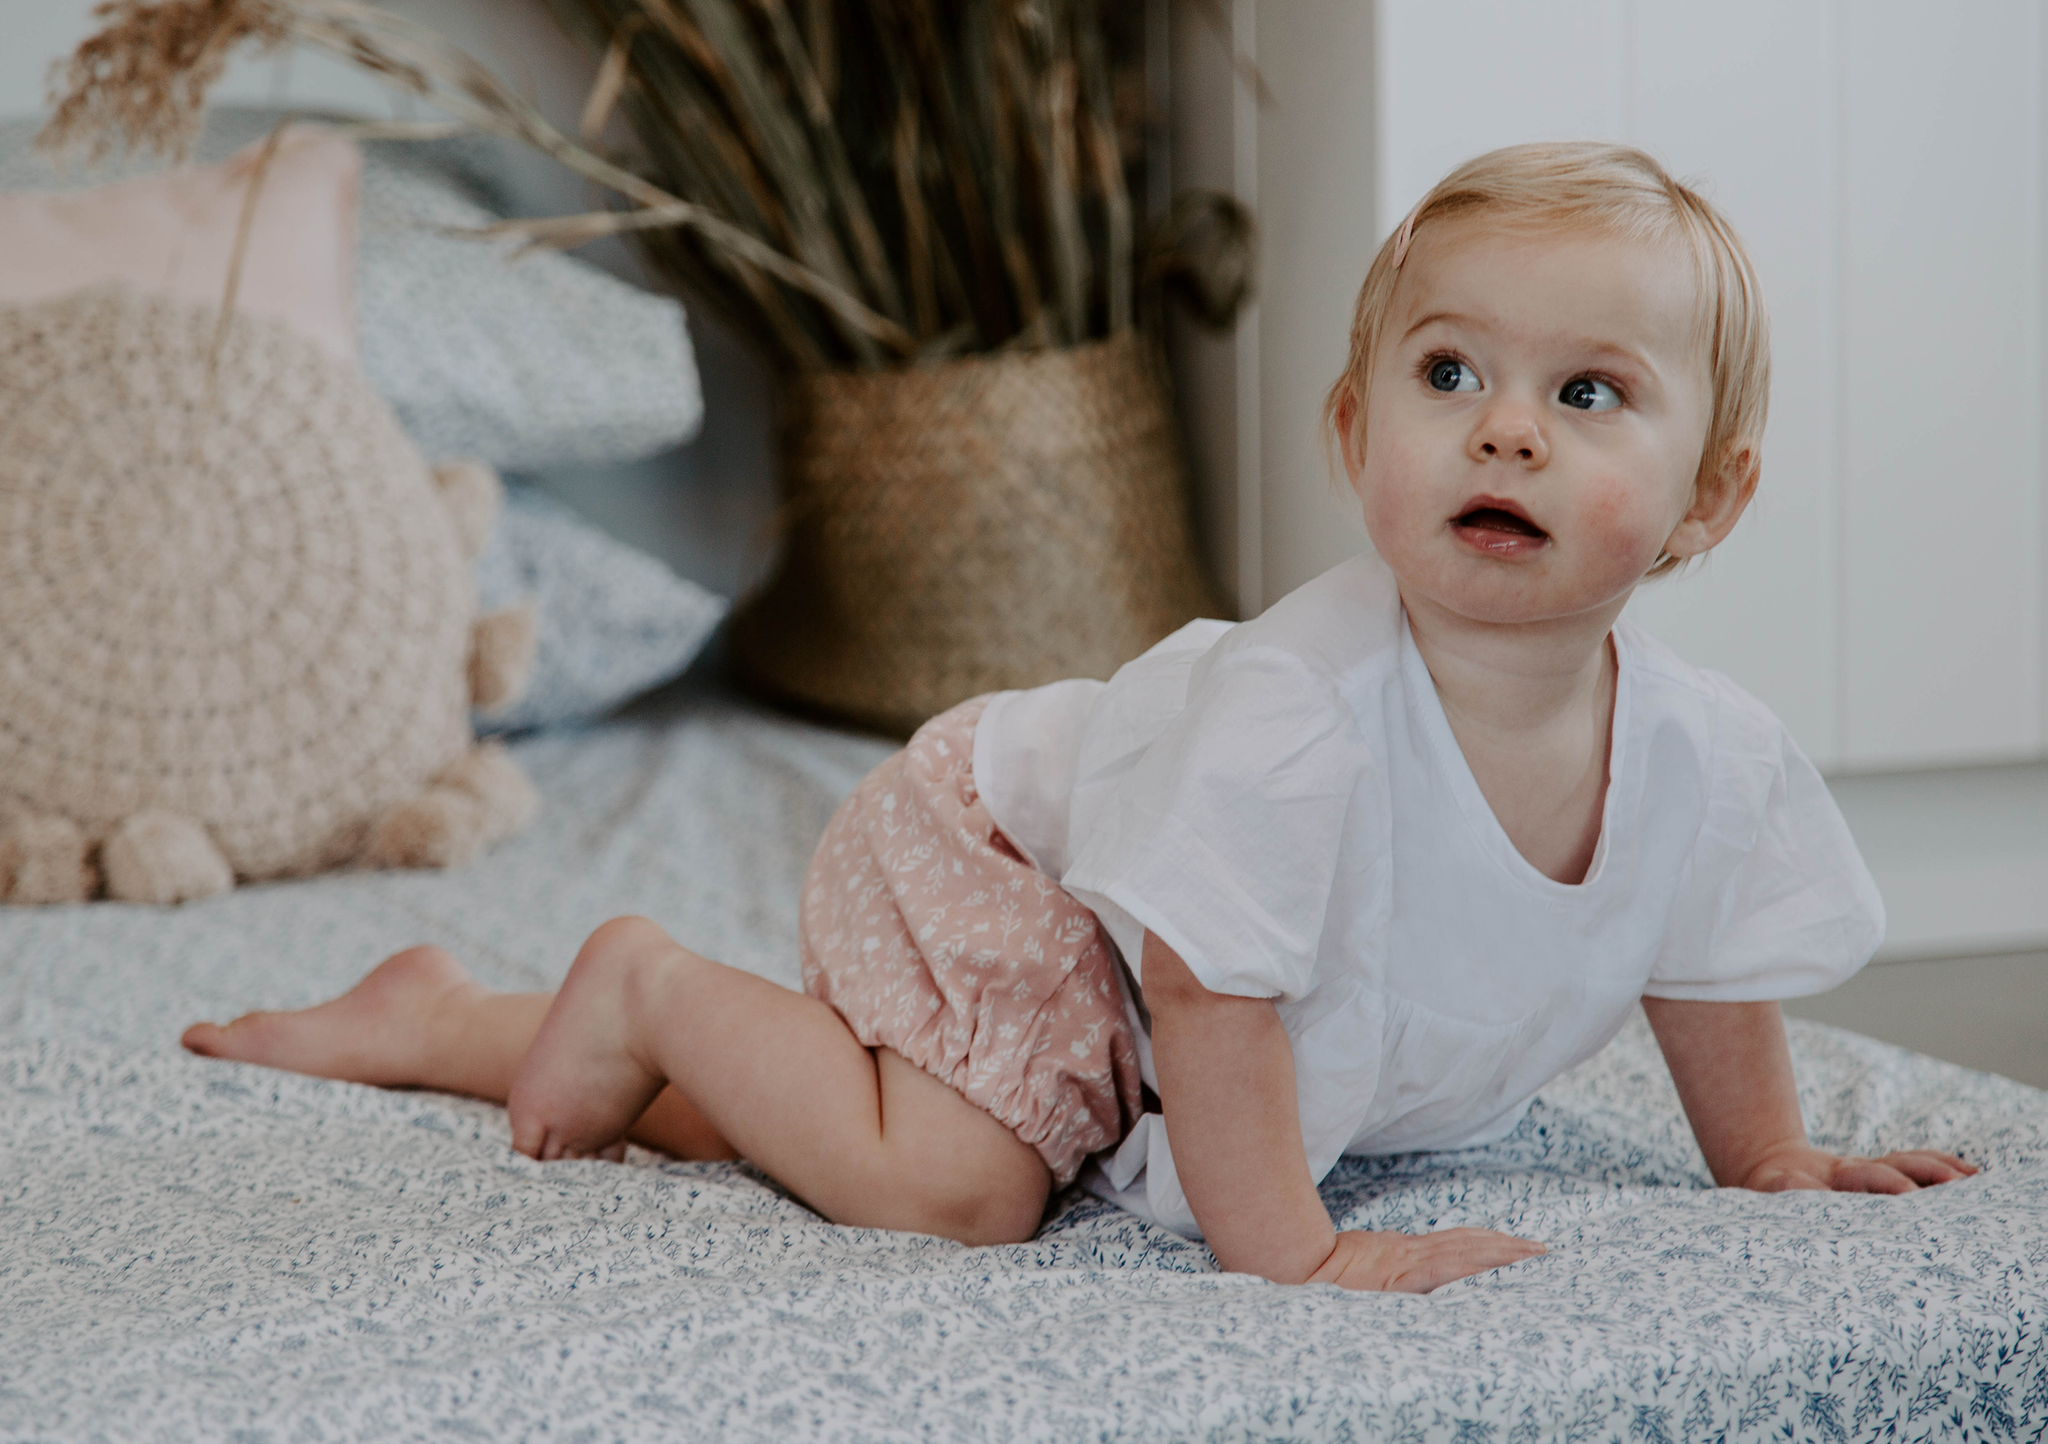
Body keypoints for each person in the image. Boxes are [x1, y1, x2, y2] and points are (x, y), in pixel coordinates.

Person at [184, 142, 1975, 1294]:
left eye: (1590, 392)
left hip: (1153, 948)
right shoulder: (1306, 712)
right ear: (1356, 437)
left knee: (845, 1116)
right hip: (1020, 855)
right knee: (960, 1183)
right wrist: (1298, 1259)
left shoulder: (1701, 748)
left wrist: (1769, 1162)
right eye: (1451, 374)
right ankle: (653, 978)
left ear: (1710, 502)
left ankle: (459, 1021)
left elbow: (1698, 950)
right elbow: (1205, 987)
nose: (1506, 428)